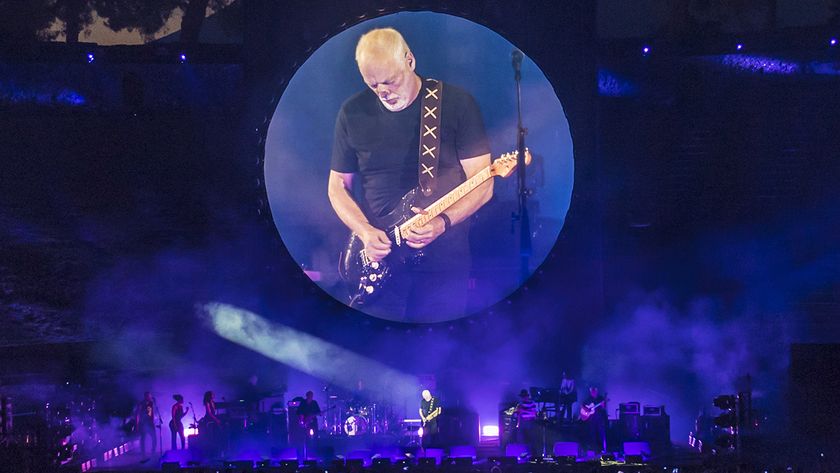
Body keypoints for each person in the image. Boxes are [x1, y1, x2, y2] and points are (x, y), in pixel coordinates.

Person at [328, 27, 493, 321]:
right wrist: (364, 231)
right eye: (373, 84)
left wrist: (442, 222)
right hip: (377, 261)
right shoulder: (352, 112)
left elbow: (483, 182)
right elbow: (337, 186)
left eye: (390, 81)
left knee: (440, 355)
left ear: (410, 60)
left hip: (442, 264)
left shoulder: (456, 104)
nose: (383, 92)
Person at [580, 386, 607, 453]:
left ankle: (601, 449)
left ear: (596, 391)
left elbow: (604, 407)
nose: (593, 392)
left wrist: (603, 404)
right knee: (592, 433)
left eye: (594, 391)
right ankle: (593, 448)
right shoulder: (588, 399)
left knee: (600, 433)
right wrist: (586, 409)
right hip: (591, 419)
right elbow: (582, 405)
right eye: (592, 391)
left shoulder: (600, 398)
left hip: (599, 418)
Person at [514, 389, 539, 456]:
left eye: (523, 396)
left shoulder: (521, 404)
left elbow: (517, 414)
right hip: (529, 423)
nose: (523, 398)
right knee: (529, 439)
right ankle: (529, 453)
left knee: (523, 438)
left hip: (526, 423)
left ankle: (525, 453)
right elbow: (535, 413)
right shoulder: (532, 403)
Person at [134, 392, 157, 459]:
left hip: (150, 423)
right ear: (146, 396)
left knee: (154, 438)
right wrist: (137, 424)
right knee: (143, 439)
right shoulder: (141, 404)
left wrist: (153, 419)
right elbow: (137, 414)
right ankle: (143, 454)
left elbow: (150, 413)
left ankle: (153, 452)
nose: (150, 397)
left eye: (150, 396)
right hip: (143, 423)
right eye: (149, 396)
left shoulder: (151, 403)